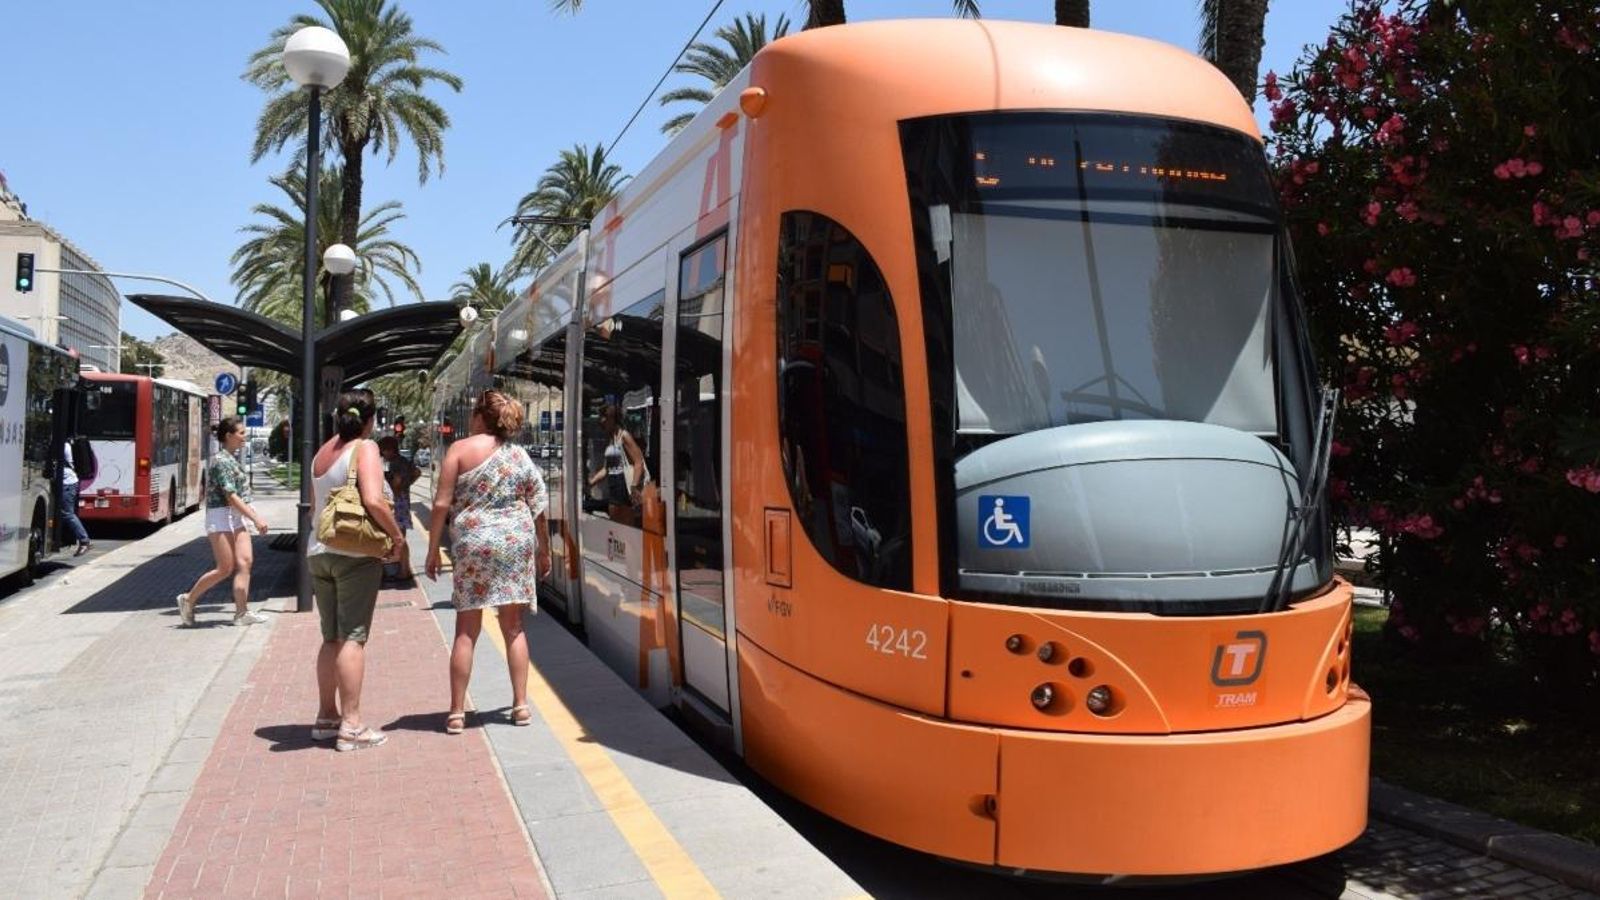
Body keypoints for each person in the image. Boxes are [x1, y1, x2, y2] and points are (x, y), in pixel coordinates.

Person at [426, 389, 551, 735]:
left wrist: (433, 549)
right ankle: (521, 706)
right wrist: (544, 549)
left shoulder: (458, 450)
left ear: (480, 417)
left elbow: (441, 504)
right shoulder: (518, 455)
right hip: (514, 543)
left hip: (474, 544)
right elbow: (539, 505)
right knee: (513, 627)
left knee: (466, 630)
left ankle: (456, 713)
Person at [307, 392, 407, 752]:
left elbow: (314, 508)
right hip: (354, 555)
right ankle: (351, 725)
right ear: (370, 420)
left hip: (318, 551)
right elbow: (374, 500)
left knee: (330, 637)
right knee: (353, 637)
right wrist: (397, 538)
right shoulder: (365, 448)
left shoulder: (322, 452)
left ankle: (326, 717)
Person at [176, 419, 271, 627]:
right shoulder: (221, 461)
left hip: (237, 516)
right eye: (241, 433)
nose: (245, 436)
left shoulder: (231, 459)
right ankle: (188, 599)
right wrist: (256, 519)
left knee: (245, 562)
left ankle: (241, 612)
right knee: (225, 568)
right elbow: (231, 496)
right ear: (228, 436)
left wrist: (249, 515)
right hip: (221, 516)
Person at [587, 403, 646, 526]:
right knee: (615, 527)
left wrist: (634, 487)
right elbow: (606, 469)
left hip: (625, 490)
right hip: (614, 490)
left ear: (612, 419)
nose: (601, 422)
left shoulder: (624, 436)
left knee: (625, 527)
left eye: (604, 418)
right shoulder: (612, 439)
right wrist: (591, 483)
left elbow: (638, 461)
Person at [378, 436, 419, 581]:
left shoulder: (395, 463)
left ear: (389, 450)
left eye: (383, 451)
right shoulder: (403, 460)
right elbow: (417, 472)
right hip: (403, 501)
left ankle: (404, 571)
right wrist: (407, 485)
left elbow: (397, 480)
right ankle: (404, 569)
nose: (382, 455)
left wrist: (393, 494)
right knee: (400, 536)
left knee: (399, 537)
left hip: (398, 503)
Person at [59, 440, 91, 556]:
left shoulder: (63, 445)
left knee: (67, 513)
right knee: (63, 513)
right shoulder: (66, 444)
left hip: (67, 483)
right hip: (69, 482)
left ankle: (84, 541)